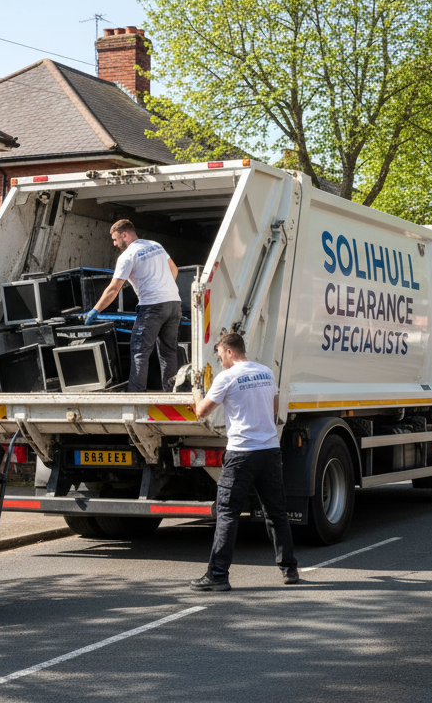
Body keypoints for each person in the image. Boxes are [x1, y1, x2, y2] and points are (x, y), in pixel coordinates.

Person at [189, 332, 298, 591]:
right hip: (270, 450)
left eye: (219, 356)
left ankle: (217, 575)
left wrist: (194, 400)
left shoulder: (226, 377)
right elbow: (273, 409)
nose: (220, 362)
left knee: (227, 514)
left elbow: (203, 411)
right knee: (276, 513)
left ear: (229, 352)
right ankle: (289, 569)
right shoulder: (266, 373)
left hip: (241, 454)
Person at [84, 219, 183, 392]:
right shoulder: (156, 245)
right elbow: (174, 269)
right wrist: (164, 290)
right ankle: (172, 394)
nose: (115, 244)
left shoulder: (127, 256)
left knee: (139, 351)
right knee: (168, 351)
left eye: (115, 239)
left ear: (124, 234)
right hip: (173, 303)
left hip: (152, 307)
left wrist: (95, 310)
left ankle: (135, 396)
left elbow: (113, 289)